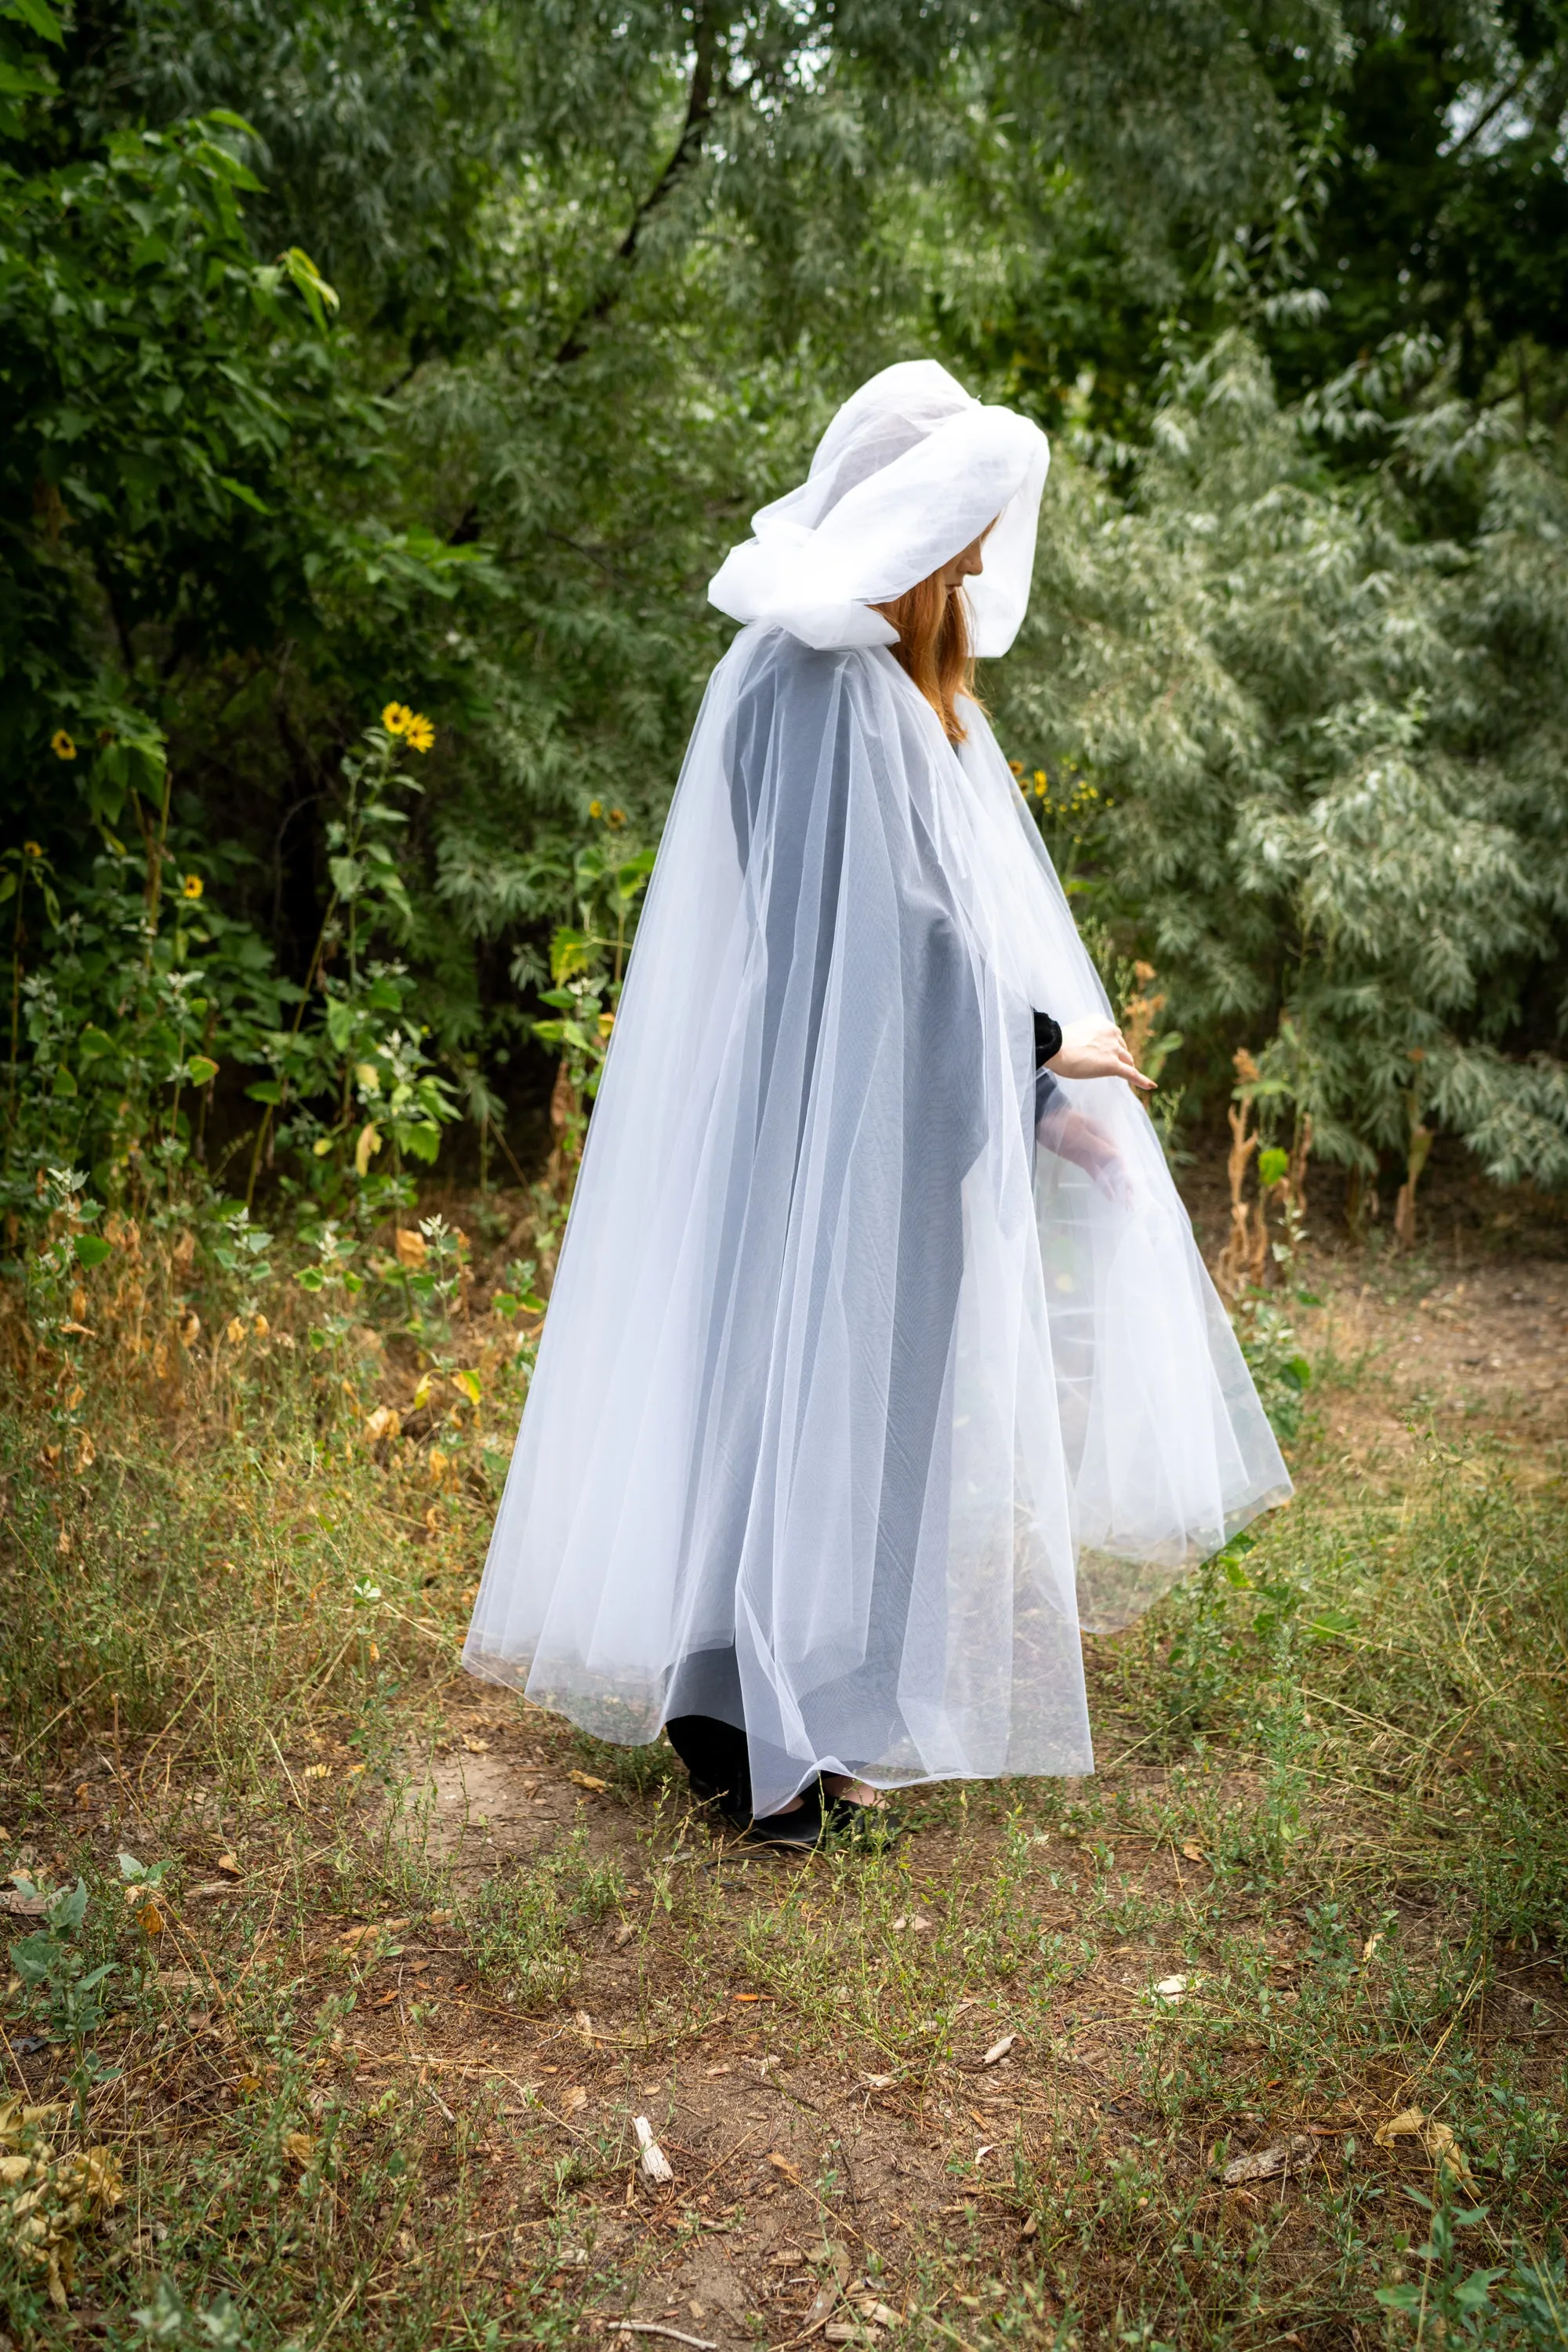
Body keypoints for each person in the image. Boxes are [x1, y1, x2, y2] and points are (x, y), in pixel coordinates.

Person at [463, 361, 1290, 1844]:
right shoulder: (834, 684)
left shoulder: (791, 667)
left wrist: (1035, 1094)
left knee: (781, 1395)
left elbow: (872, 934)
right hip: (863, 1126)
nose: (980, 554)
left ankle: (764, 1715)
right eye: (962, 525)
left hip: (813, 1105)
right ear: (907, 526)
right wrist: (1047, 1047)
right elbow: (904, 936)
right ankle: (783, 1745)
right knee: (863, 1416)